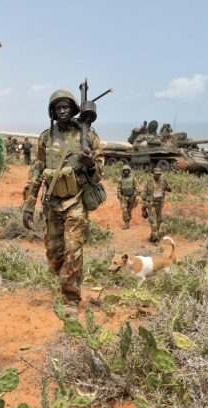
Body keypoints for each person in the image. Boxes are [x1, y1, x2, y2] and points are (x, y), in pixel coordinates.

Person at [22, 89, 104, 314]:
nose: (62, 111)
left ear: (74, 109)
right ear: (52, 112)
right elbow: (36, 172)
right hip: (52, 203)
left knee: (73, 250)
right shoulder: (45, 138)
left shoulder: (89, 137)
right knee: (54, 255)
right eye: (58, 108)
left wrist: (89, 165)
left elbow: (98, 175)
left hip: (76, 202)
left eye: (66, 106)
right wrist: (28, 206)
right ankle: (65, 279)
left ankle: (71, 299)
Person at [141, 167, 172, 244]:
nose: (157, 176)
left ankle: (153, 236)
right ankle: (156, 239)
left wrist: (168, 188)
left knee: (158, 221)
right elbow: (144, 193)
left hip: (159, 204)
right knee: (153, 221)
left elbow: (169, 189)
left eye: (159, 174)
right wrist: (143, 207)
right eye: (156, 174)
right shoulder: (149, 181)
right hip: (151, 204)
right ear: (153, 174)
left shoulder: (163, 180)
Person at [117, 165, 137, 229]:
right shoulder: (120, 179)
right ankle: (126, 223)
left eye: (127, 170)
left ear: (129, 171)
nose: (126, 172)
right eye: (124, 170)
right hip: (124, 197)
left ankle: (128, 221)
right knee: (124, 210)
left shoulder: (133, 179)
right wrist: (120, 196)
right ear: (123, 171)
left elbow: (137, 188)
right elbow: (118, 189)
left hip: (131, 196)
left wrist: (135, 195)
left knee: (129, 210)